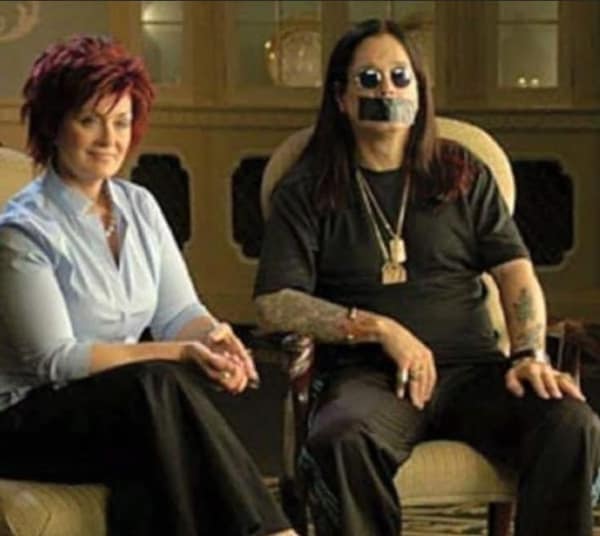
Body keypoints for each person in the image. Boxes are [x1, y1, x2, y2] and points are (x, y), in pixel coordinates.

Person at [254, 18, 600, 536]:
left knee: (570, 422)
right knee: (341, 439)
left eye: (401, 77)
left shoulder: (462, 173)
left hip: (473, 371)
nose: (387, 90)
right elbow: (275, 301)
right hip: (370, 378)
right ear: (342, 98)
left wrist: (529, 353)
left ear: (419, 91)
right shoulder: (307, 187)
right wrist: (380, 329)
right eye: (369, 79)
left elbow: (515, 271)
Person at [0, 35, 296, 536]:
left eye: (120, 122)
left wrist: (214, 337)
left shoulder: (139, 206)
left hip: (124, 409)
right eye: (89, 120)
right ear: (53, 125)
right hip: (27, 422)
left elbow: (178, 312)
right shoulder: (23, 231)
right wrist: (178, 353)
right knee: (157, 385)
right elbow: (55, 359)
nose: (108, 139)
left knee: (159, 438)